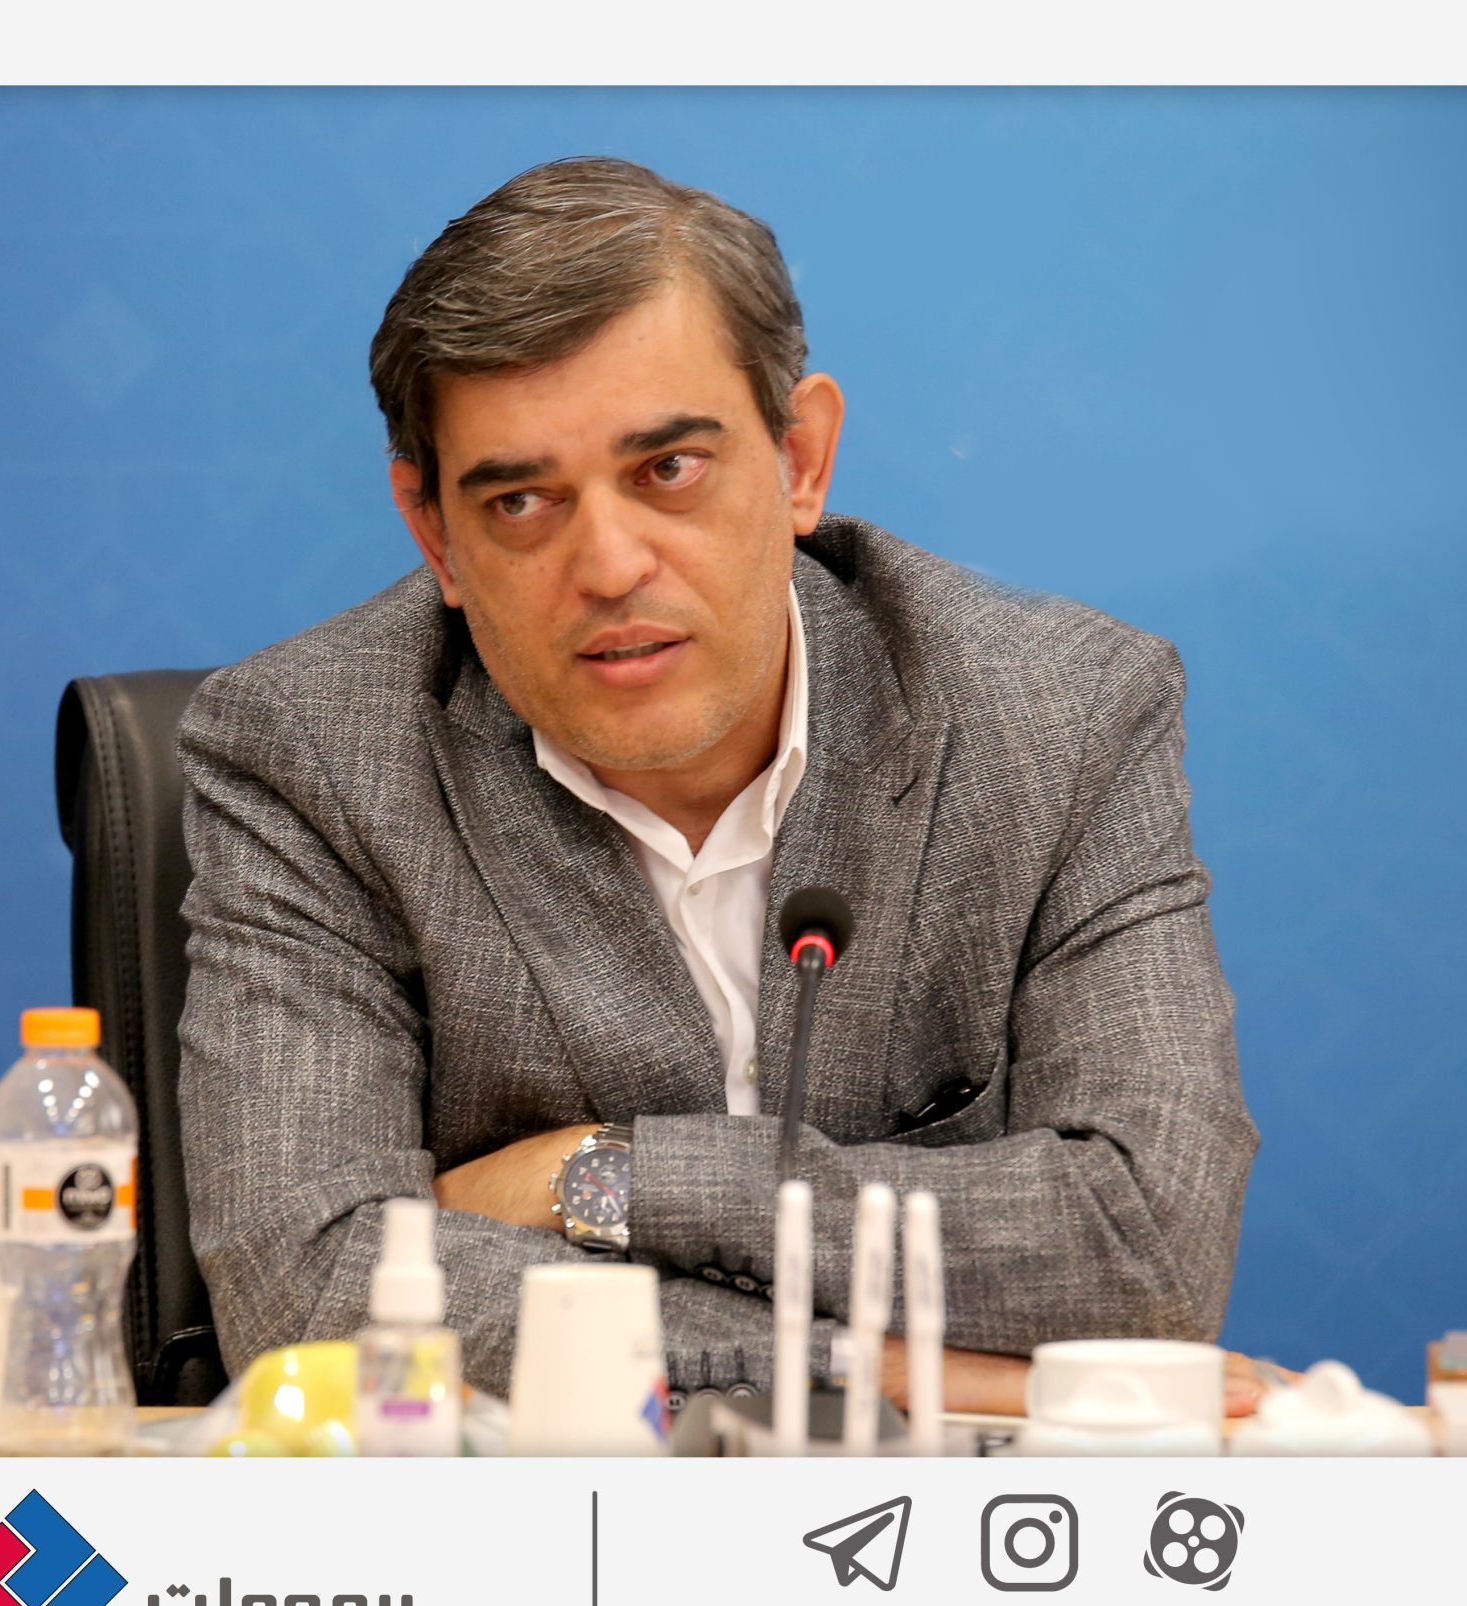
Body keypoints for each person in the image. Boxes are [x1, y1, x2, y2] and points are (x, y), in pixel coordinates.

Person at [176, 157, 1261, 1417]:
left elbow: (1146, 1245)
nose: (608, 565)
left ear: (799, 460)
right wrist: (852, 1365)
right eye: (520, 501)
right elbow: (307, 1288)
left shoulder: (1059, 716)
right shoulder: (310, 755)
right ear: (437, 539)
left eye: (669, 470)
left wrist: (608, 1179)